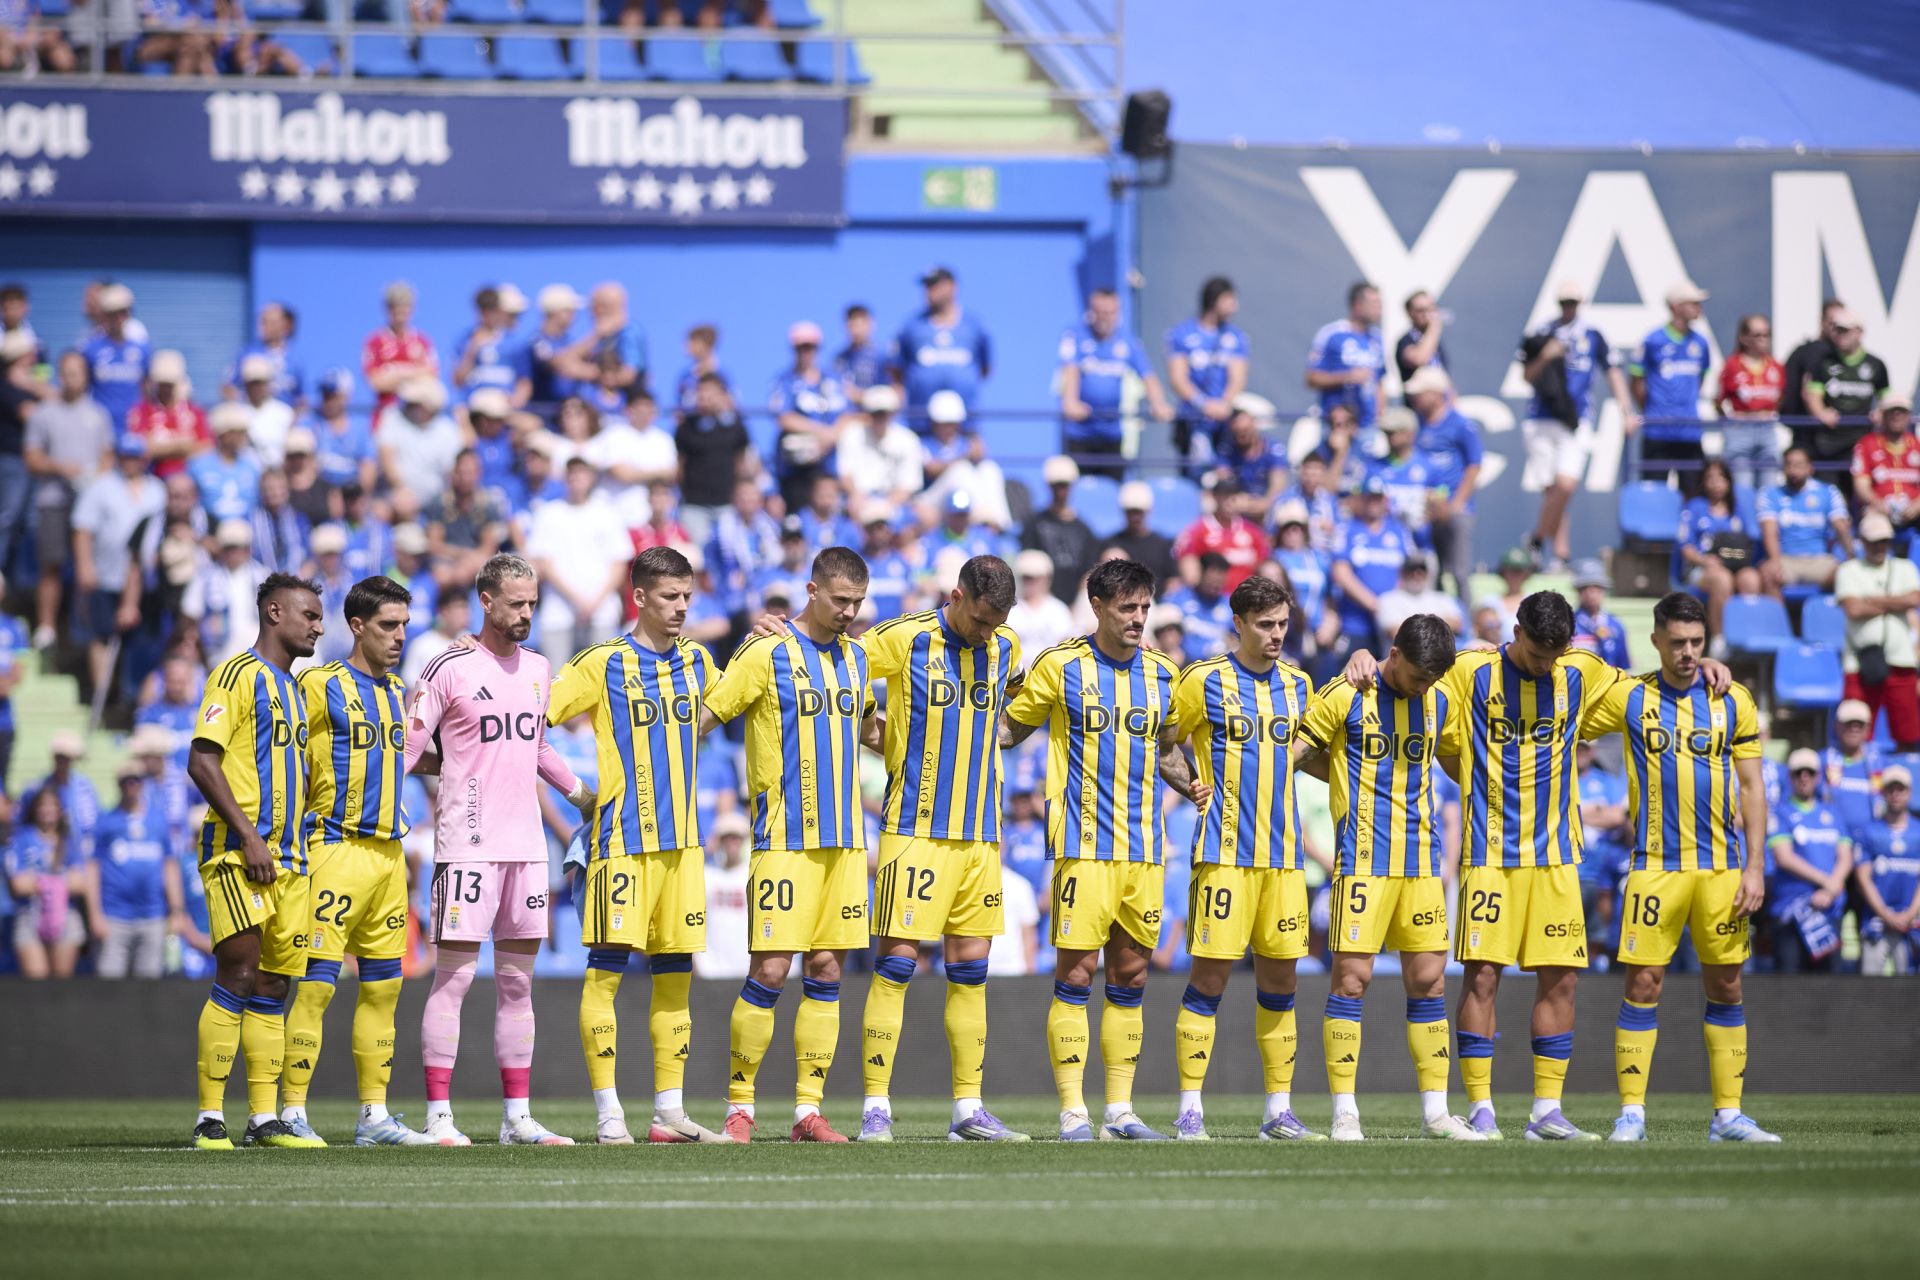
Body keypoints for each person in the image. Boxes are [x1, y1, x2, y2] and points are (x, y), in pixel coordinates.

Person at [1000, 558, 1198, 1142]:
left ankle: (1120, 1111)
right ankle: (1072, 1113)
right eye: (1127, 609)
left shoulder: (1165, 674)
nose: (1139, 619)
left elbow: (1167, 749)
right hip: (1081, 848)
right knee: (1076, 975)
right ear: (1098, 608)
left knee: (1131, 979)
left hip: (1144, 851)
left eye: (1144, 607)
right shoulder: (1061, 665)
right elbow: (1011, 729)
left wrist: (1188, 781)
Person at [401, 554, 594, 1146]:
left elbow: (534, 744)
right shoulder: (449, 668)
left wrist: (581, 795)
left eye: (532, 603)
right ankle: (439, 1116)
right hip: (467, 846)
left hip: (527, 850)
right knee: (454, 981)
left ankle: (517, 1118)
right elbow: (406, 750)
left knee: (517, 986)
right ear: (486, 601)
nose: (526, 614)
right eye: (516, 603)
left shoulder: (538, 669)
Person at [548, 547, 730, 1145]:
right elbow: (532, 718)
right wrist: (575, 790)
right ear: (641, 598)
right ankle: (608, 1113)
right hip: (618, 844)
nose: (682, 608)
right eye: (671, 597)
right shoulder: (601, 663)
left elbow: (741, 702)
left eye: (687, 597)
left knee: (675, 977)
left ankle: (669, 1112)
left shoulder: (700, 661)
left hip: (683, 847)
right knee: (605, 976)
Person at [1581, 591, 1776, 1142]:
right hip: (1654, 867)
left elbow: (1753, 786)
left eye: (1697, 643)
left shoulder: (1732, 699)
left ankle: (1728, 1115)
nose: (1689, 652)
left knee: (1728, 984)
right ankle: (1632, 1115)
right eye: (1678, 643)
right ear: (1656, 641)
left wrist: (1755, 866)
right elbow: (1570, 698)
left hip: (1722, 869)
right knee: (1643, 983)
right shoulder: (1632, 696)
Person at [702, 547, 879, 1143]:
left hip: (847, 843)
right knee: (772, 969)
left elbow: (872, 729)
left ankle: (808, 1111)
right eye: (839, 601)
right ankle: (740, 1107)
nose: (849, 612)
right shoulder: (765, 650)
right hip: (783, 838)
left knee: (828, 970)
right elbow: (707, 712)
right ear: (811, 590)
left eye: (857, 601)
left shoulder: (856, 658)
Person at [856, 556, 1032, 1143]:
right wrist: (876, 731)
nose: (988, 632)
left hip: (981, 834)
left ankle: (967, 1111)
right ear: (957, 596)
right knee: (898, 966)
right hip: (914, 829)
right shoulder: (905, 638)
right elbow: (839, 666)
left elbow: (1014, 711)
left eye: (996, 622)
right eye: (981, 619)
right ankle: (876, 1106)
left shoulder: (1006, 645)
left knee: (970, 973)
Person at [1291, 614, 1479, 1141]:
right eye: (1417, 676)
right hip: (1361, 863)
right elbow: (1296, 754)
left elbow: (1451, 753)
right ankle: (1345, 1111)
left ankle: (1437, 1114)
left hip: (1421, 863)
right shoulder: (1347, 693)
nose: (1424, 687)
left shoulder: (1440, 699)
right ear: (1392, 654)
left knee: (1430, 983)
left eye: (1431, 680)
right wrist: (1341, 771)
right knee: (1351, 981)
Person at [270, 577, 438, 1146]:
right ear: (358, 626)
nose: (399, 637)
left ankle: (374, 1117)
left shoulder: (398, 693)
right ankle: (289, 1111)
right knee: (316, 987)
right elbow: (274, 739)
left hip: (390, 859)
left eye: (405, 626)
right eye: (388, 626)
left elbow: (422, 755)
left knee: (384, 990)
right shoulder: (319, 685)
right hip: (334, 849)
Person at [1163, 575, 1323, 1140]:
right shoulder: (1203, 680)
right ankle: (1189, 1109)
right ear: (1238, 623)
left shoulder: (1301, 685)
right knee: (1209, 980)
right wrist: (1189, 786)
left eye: (1283, 623)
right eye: (1265, 625)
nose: (1277, 634)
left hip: (1283, 861)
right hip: (1223, 855)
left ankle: (1278, 1110)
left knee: (1282, 983)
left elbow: (1310, 751)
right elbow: (1164, 744)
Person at [184, 571, 327, 1150]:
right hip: (241, 853)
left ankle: (263, 1118)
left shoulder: (295, 689)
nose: (318, 626)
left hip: (291, 860)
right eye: (309, 615)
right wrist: (248, 836)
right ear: (274, 612)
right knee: (238, 973)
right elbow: (201, 760)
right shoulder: (235, 674)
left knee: (274, 985)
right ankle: (209, 1115)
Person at [1518, 281, 1631, 571]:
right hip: (1542, 417)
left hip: (1576, 418)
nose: (1569, 308)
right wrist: (1546, 355)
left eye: (1573, 302)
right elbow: (1527, 376)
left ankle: (1537, 538)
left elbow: (1613, 371)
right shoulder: (1541, 332)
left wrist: (1626, 409)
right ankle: (1560, 554)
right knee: (1552, 491)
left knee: (1566, 485)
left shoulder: (1592, 335)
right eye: (1564, 302)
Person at [24, 350, 112, 649]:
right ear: (59, 375)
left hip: (88, 505)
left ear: (85, 376)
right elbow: (32, 458)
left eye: (77, 372)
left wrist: (93, 479)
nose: (71, 378)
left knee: (86, 569)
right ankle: (46, 627)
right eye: (66, 372)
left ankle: (82, 626)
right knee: (51, 564)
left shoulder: (98, 414)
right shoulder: (44, 413)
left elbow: (107, 457)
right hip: (53, 501)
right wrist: (60, 467)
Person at [72, 437, 165, 691]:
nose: (130, 462)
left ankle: (133, 697)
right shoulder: (102, 486)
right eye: (126, 456)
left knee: (141, 640)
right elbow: (83, 529)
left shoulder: (156, 489)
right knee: (101, 635)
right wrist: (85, 566)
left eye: (135, 457)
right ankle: (104, 693)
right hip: (106, 575)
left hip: (145, 579)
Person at [1056, 287, 1172, 477]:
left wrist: (1158, 403)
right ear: (1091, 311)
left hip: (1112, 431)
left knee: (1113, 493)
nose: (1105, 318)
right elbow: (1070, 370)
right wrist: (1070, 402)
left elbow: (1148, 376)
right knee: (1080, 491)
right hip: (1080, 432)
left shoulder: (1127, 341)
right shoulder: (1075, 335)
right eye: (1100, 313)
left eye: (1110, 313)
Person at [1834, 511, 1920, 751]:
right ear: (1863, 541)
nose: (1879, 546)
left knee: (1908, 731)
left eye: (1884, 541)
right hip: (1860, 662)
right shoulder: (1849, 570)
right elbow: (1853, 608)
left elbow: (1913, 599)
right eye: (1874, 541)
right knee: (1855, 732)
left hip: (1901, 660)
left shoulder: (1904, 568)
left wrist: (1870, 601)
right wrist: (1894, 602)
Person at [89, 763, 183, 981]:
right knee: (109, 983)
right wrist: (95, 914)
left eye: (136, 780)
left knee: (149, 985)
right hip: (114, 915)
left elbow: (169, 865)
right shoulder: (106, 821)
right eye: (126, 781)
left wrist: (177, 910)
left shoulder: (158, 820)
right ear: (119, 784)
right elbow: (93, 868)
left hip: (152, 914)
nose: (131, 785)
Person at [1767, 748, 1853, 973]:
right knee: (1789, 987)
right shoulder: (1780, 812)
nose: (1804, 777)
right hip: (1792, 912)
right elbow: (1783, 857)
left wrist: (1831, 889)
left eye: (1809, 772)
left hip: (1828, 909)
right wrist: (1828, 881)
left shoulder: (1832, 813)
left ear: (1818, 776)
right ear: (1790, 777)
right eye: (1798, 773)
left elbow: (1845, 855)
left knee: (1829, 988)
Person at [1630, 281, 1713, 489]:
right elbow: (1637, 382)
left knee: (1693, 494)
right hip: (1658, 432)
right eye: (1692, 303)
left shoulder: (1701, 343)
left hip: (1690, 431)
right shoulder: (1653, 340)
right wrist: (1654, 411)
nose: (1698, 308)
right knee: (1653, 494)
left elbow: (1700, 380)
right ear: (1676, 306)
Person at [889, 266, 991, 428]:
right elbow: (897, 369)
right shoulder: (912, 327)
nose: (929, 290)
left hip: (964, 427)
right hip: (920, 425)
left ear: (952, 287)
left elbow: (985, 368)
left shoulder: (974, 326)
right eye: (927, 286)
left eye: (934, 284)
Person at [7, 786, 92, 981]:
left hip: (64, 915)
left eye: (52, 805)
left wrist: (40, 882)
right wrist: (59, 882)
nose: (47, 810)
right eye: (42, 805)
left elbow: (81, 882)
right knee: (36, 982)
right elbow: (18, 884)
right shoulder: (22, 839)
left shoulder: (69, 842)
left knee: (60, 984)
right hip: (30, 914)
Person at [1165, 276, 1249, 471]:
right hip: (1192, 418)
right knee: (1193, 473)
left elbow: (1238, 376)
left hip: (1223, 420)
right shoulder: (1182, 334)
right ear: (1214, 300)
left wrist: (1224, 404)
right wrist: (1203, 404)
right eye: (1229, 300)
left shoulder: (1235, 337)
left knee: (1225, 474)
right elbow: (1178, 378)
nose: (1234, 306)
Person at [1328, 476, 1415, 661]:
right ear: (1361, 499)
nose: (1373, 503)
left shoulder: (1399, 532)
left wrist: (1391, 607)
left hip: (1392, 624)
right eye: (1369, 497)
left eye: (1377, 498)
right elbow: (1341, 572)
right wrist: (1375, 605)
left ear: (1385, 500)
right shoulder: (1348, 530)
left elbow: (1410, 570)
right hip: (1356, 624)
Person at [769, 321, 851, 512]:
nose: (806, 352)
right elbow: (784, 417)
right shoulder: (784, 381)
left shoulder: (834, 379)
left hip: (831, 465)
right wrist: (821, 432)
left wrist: (832, 436)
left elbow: (849, 413)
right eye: (801, 348)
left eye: (810, 347)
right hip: (798, 470)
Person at [1676, 458, 1762, 636]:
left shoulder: (1737, 510)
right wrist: (1705, 560)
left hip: (1735, 566)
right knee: (1722, 580)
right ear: (1703, 481)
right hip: (1701, 568)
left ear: (1729, 481)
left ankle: (1746, 635)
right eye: (1710, 478)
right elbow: (1685, 547)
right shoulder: (1694, 507)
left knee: (1751, 579)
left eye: (1720, 478)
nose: (1716, 483)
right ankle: (1720, 638)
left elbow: (1747, 541)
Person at [673, 371, 754, 548]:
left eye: (709, 391)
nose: (704, 396)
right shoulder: (686, 427)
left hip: (726, 505)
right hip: (694, 505)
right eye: (701, 391)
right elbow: (679, 465)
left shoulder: (736, 427)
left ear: (722, 394)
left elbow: (742, 463)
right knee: (695, 560)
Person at [1758, 446, 1853, 596]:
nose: (1793, 470)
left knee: (1847, 576)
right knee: (1768, 573)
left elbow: (1841, 526)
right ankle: (1780, 619)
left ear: (1810, 468)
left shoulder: (1828, 492)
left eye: (1798, 465)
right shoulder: (1769, 494)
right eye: (1788, 464)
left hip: (1820, 560)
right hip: (1786, 560)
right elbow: (1769, 533)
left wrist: (1851, 558)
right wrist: (1775, 562)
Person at [1803, 309, 1890, 467]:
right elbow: (1813, 395)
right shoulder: (1823, 362)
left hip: (1862, 440)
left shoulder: (1876, 364)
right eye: (1837, 330)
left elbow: (1886, 396)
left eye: (1846, 330)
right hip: (1828, 442)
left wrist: (1881, 411)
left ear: (1859, 332)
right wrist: (1821, 412)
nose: (1840, 335)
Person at [1855, 768, 1920, 976]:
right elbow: (1863, 878)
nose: (1895, 794)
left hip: (1912, 925)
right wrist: (1886, 914)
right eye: (1891, 789)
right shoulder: (1869, 831)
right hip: (1877, 923)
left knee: (1910, 993)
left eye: (1900, 789)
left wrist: (1910, 914)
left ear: (1909, 792)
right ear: (1883, 792)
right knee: (1871, 993)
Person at [1307, 281, 1387, 442]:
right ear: (1358, 305)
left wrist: (1381, 416)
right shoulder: (1332, 334)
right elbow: (1311, 378)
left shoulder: (1377, 338)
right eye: (1374, 303)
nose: (1379, 309)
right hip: (1337, 423)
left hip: (1367, 426)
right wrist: (1347, 377)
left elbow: (1379, 381)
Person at [1716, 312, 1786, 491]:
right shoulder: (1732, 365)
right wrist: (1731, 423)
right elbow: (1718, 400)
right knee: (1742, 486)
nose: (1763, 339)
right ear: (1744, 338)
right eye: (1757, 335)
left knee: (1769, 486)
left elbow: (1781, 398)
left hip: (1767, 428)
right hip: (1741, 428)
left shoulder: (1775, 366)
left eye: (1766, 334)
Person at [376, 377, 461, 515]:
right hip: (398, 498)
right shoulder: (393, 416)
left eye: (416, 403)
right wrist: (400, 489)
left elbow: (452, 473)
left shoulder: (447, 430)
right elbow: (387, 457)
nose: (410, 406)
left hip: (436, 503)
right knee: (381, 510)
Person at [1022, 455, 1097, 604]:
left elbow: (1090, 571)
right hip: (1042, 602)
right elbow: (1028, 562)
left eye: (1065, 485)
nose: (1061, 491)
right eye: (1056, 485)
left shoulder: (1084, 529)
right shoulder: (1034, 524)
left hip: (1076, 603)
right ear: (1049, 486)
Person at [1173, 478, 1270, 592]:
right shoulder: (1197, 532)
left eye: (1233, 496)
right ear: (1214, 497)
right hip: (1213, 600)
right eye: (1224, 496)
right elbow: (1190, 574)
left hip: (1248, 599)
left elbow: (1265, 566)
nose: (1229, 501)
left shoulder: (1253, 532)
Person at [835, 384, 922, 509]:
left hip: (895, 502)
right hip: (861, 499)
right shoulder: (852, 435)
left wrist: (886, 505)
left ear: (893, 414)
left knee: (927, 514)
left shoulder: (908, 439)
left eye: (884, 413)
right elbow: (845, 475)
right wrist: (857, 496)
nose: (880, 418)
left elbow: (908, 485)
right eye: (876, 413)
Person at [77, 282, 149, 433]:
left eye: (123, 312)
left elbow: (147, 389)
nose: (119, 318)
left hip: (133, 427)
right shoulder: (90, 349)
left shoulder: (143, 349)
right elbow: (81, 389)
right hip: (101, 428)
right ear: (104, 315)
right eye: (113, 313)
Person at [127, 350, 210, 479]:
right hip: (152, 479)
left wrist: (160, 446)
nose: (165, 389)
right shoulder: (142, 410)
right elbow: (141, 448)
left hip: (188, 481)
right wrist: (181, 446)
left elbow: (206, 447)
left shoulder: (194, 412)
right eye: (162, 384)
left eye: (169, 385)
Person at [361, 281, 439, 417]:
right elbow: (376, 382)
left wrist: (394, 371)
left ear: (412, 308)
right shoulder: (375, 342)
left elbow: (432, 376)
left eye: (404, 305)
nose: (399, 311)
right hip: (386, 413)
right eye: (394, 306)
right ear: (387, 308)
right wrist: (415, 373)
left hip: (418, 416)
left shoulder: (422, 341)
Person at [1851, 395, 1920, 548]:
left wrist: (1917, 505)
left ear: (1909, 416)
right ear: (1882, 415)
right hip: (1878, 508)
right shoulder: (1866, 444)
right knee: (1873, 525)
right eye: (1891, 412)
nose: (1896, 416)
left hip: (1914, 510)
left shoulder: (1917, 445)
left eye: (1901, 412)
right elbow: (1861, 485)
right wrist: (1878, 504)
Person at [451, 284, 530, 408]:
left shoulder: (514, 343)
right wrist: (473, 349)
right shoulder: (465, 339)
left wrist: (512, 407)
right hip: (474, 408)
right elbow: (457, 381)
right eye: (484, 309)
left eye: (493, 308)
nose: (488, 314)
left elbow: (524, 383)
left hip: (504, 408)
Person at [696, 812, 753, 979]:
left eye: (736, 837)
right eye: (726, 837)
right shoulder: (706, 875)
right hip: (710, 970)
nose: (731, 842)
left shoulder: (753, 876)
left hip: (747, 968)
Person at [189, 405, 265, 525]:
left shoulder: (252, 465)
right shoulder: (198, 465)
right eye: (238, 432)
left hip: (248, 529)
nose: (243, 437)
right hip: (210, 528)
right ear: (224, 434)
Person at [304, 370, 377, 496]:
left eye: (333, 395)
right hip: (320, 497)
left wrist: (354, 498)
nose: (328, 401)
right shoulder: (312, 424)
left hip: (352, 496)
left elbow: (368, 468)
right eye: (325, 395)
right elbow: (306, 468)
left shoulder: (360, 429)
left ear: (346, 396)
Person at [225, 301, 305, 411]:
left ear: (285, 324)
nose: (264, 326)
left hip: (283, 420)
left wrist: (293, 420)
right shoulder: (248, 353)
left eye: (271, 322)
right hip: (252, 417)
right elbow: (228, 387)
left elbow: (301, 398)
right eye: (262, 321)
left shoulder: (295, 361)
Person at [1212, 397, 1290, 505]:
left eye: (1246, 430)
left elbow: (1278, 487)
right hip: (1239, 503)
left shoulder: (1274, 449)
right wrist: (1242, 501)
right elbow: (1224, 480)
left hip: (1268, 505)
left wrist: (1262, 505)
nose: (1243, 435)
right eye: (1238, 432)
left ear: (1254, 425)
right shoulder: (1226, 451)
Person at [1100, 481, 1177, 587]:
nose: (1135, 517)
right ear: (1123, 512)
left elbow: (1173, 581)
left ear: (1149, 511)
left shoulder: (1162, 545)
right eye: (1131, 511)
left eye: (1139, 512)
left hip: (1154, 601)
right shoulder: (1110, 543)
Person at [1779, 298, 1842, 424]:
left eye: (1841, 323)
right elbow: (1804, 392)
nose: (1836, 328)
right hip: (1808, 429)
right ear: (1822, 322)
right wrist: (1819, 412)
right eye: (1832, 322)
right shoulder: (1810, 352)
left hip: (1837, 431)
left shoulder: (1845, 354)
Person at [1373, 554, 1462, 640]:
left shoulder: (1442, 598)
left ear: (1427, 574)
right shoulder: (1387, 600)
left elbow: (1456, 624)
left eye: (1422, 570)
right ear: (1402, 573)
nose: (1417, 574)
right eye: (1412, 570)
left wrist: (1413, 625)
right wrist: (1439, 622)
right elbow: (1396, 632)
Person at [1008, 549, 1074, 656]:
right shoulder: (1011, 609)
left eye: (1033, 578)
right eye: (1025, 577)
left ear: (1047, 578)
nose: (1029, 583)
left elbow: (1067, 644)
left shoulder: (1059, 610)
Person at [236, 355, 296, 468]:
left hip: (278, 475)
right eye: (252, 384)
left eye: (260, 383)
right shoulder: (237, 413)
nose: (257, 388)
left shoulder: (284, 413)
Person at [1572, 560, 1632, 670]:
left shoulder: (1616, 625)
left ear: (1604, 590)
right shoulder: (1568, 624)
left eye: (1597, 587)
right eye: (1584, 587)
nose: (1591, 592)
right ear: (1577, 591)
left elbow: (1624, 667)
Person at [1395, 290, 1449, 388]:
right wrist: (1434, 328)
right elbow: (1419, 359)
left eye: (1431, 309)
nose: (1427, 314)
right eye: (1421, 310)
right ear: (1410, 313)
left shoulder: (1435, 342)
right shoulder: (1406, 341)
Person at [832, 303, 885, 394]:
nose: (855, 328)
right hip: (847, 407)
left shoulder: (881, 355)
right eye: (851, 323)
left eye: (859, 323)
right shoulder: (840, 359)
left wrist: (861, 396)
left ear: (870, 324)